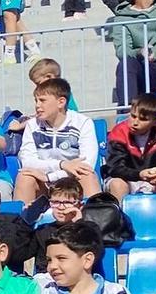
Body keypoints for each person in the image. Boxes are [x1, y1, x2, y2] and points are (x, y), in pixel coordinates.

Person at [12, 79, 101, 207]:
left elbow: (87, 164)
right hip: (44, 181)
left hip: (72, 180)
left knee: (87, 175)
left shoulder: (83, 123)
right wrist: (62, 164)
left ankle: (94, 222)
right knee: (24, 176)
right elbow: (28, 162)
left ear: (61, 102)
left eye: (42, 100)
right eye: (36, 101)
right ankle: (19, 224)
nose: (37, 105)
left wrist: (51, 176)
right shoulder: (32, 125)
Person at [101, 94, 156, 199]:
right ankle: (120, 214)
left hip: (153, 180)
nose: (135, 122)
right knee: (118, 185)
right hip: (126, 179)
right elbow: (115, 168)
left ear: (155, 122)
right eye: (133, 116)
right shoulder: (119, 133)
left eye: (143, 119)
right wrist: (139, 175)